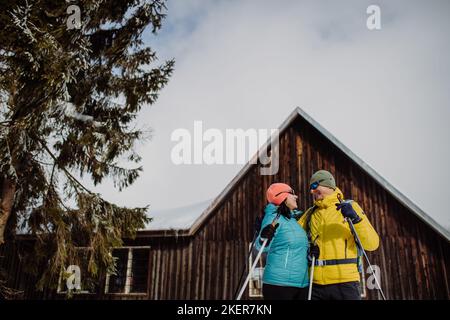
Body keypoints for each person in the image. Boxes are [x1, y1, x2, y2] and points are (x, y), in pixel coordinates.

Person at [298, 170, 380, 300]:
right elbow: (292, 239)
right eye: (310, 188)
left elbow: (372, 244)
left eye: (314, 186)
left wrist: (355, 219)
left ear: (328, 185)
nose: (311, 191)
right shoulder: (310, 214)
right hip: (316, 285)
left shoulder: (349, 207)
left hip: (345, 283)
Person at [256, 183, 309, 300]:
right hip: (279, 285)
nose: (296, 197)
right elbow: (261, 246)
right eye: (292, 194)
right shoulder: (273, 218)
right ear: (282, 197)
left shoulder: (293, 221)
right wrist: (263, 237)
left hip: (302, 283)